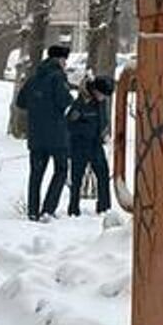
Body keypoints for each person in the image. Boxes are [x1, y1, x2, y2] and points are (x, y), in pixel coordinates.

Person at [17, 44, 74, 220]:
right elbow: (64, 101)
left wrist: (38, 107)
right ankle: (48, 209)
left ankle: (32, 211)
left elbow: (21, 102)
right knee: (61, 170)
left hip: (36, 134)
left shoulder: (34, 78)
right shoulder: (58, 77)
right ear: (60, 59)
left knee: (36, 174)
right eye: (65, 60)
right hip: (56, 135)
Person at [65, 75, 115, 217]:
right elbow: (69, 124)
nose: (104, 98)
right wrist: (85, 131)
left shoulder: (101, 103)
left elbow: (102, 120)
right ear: (95, 91)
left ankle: (104, 207)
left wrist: (103, 132)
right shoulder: (80, 103)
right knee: (77, 179)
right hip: (79, 145)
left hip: (95, 144)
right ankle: (73, 209)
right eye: (103, 95)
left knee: (103, 174)